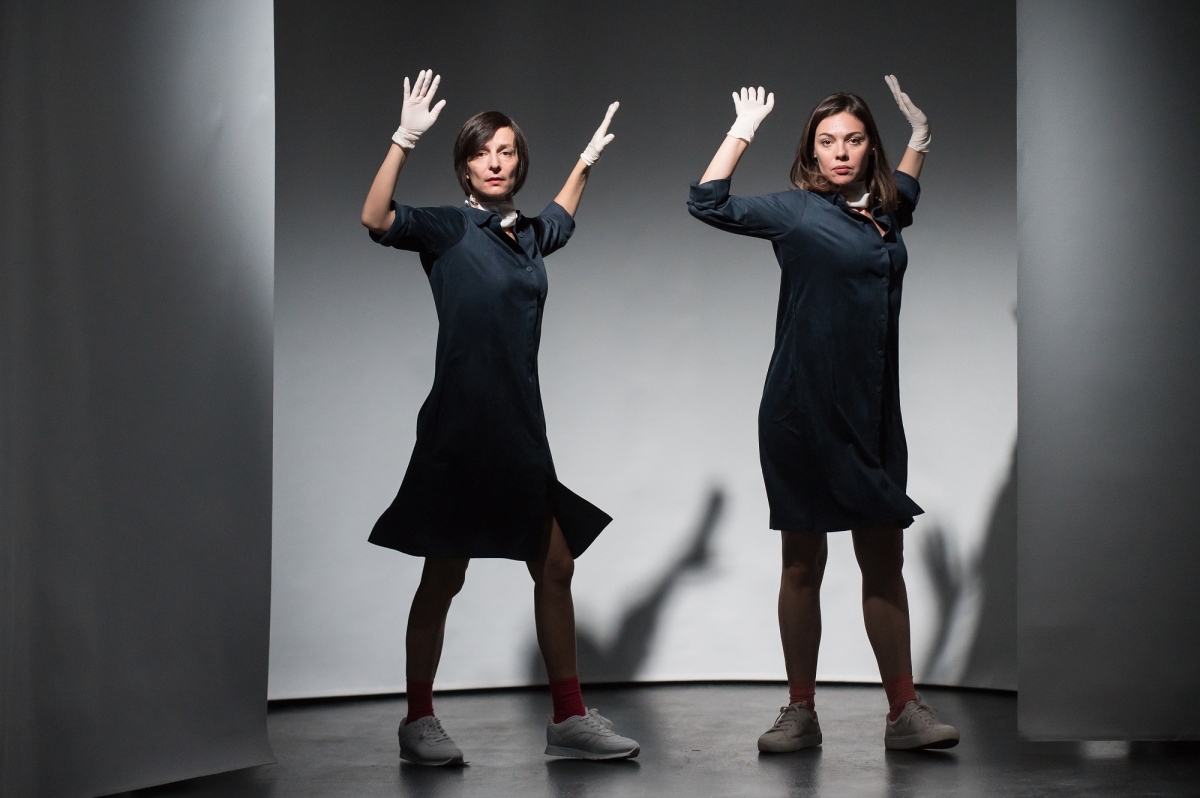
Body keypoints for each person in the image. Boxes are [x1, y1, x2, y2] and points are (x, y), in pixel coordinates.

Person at [360, 70, 639, 765]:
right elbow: (376, 218)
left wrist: (585, 161)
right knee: (444, 574)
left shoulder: (529, 237)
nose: (495, 162)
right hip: (459, 431)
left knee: (555, 565)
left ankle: (568, 719)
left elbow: (561, 217)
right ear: (464, 166)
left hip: (519, 429)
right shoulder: (450, 228)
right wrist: (402, 140)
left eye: (507, 151)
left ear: (519, 162)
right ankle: (418, 720)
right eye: (482, 152)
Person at [687, 76, 960, 751]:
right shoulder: (796, 212)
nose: (840, 152)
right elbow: (706, 202)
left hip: (872, 414)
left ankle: (904, 712)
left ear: (870, 147)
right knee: (803, 563)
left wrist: (921, 140)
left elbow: (906, 190)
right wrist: (742, 131)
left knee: (883, 559)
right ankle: (800, 711)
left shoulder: (887, 211)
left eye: (854, 140)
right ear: (811, 150)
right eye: (828, 141)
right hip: (801, 410)